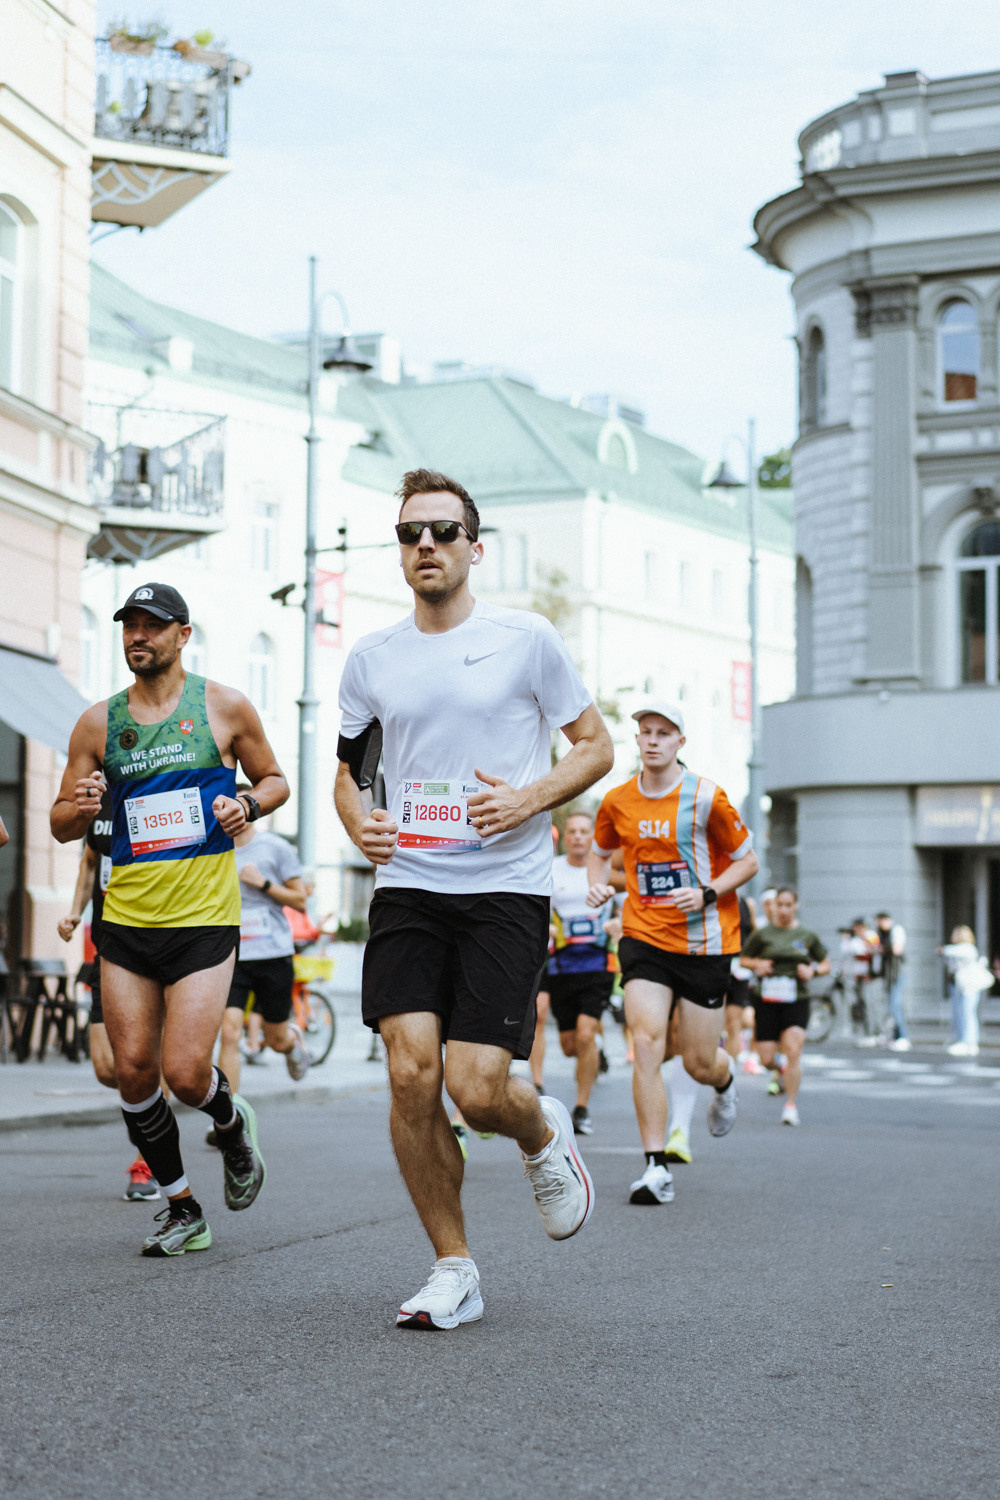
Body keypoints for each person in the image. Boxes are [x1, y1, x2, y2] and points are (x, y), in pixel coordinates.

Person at [334, 468, 613, 1329]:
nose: (426, 545)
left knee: (478, 1088)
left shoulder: (527, 639)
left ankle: (538, 1132)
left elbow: (596, 747)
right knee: (411, 1075)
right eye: (411, 533)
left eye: (443, 532)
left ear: (473, 547)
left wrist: (529, 799)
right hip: (410, 884)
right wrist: (359, 825)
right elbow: (349, 777)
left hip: (503, 887)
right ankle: (453, 1266)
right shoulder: (372, 658)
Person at [51, 582, 288, 1257]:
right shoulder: (97, 724)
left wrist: (249, 803)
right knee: (132, 1072)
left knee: (185, 1073)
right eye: (130, 625)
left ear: (183, 635)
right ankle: (182, 1205)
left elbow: (275, 779)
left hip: (203, 921)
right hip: (125, 922)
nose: (138, 636)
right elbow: (62, 824)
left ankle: (230, 1121)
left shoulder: (224, 707)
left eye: (153, 626)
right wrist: (85, 802)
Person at [587, 701, 758, 1205]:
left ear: (681, 741)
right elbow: (598, 856)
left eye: (664, 732)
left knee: (699, 1060)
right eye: (646, 732)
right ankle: (655, 1167)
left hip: (705, 939)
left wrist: (706, 891)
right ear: (636, 739)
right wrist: (599, 888)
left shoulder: (707, 797)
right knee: (646, 1040)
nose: (653, 740)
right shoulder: (617, 801)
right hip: (643, 936)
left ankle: (724, 1082)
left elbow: (748, 862)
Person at [58, 790, 162, 1200]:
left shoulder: (160, 792)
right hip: (108, 948)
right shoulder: (99, 803)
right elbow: (90, 863)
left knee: (148, 1063)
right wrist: (75, 911)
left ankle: (149, 1163)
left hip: (157, 948)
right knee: (107, 1068)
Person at [212, 784, 311, 1110]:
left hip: (273, 955)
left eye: (240, 807)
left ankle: (291, 1043)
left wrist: (263, 883)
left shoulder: (276, 848)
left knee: (274, 1038)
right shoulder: (213, 849)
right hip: (232, 953)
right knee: (229, 1033)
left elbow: (299, 900)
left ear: (251, 810)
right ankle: (229, 1120)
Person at [545, 810, 616, 1136]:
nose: (577, 837)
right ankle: (596, 1051)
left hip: (598, 963)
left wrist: (620, 923)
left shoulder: (604, 868)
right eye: (571, 831)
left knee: (586, 1034)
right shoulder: (552, 868)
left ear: (592, 836)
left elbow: (633, 902)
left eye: (583, 831)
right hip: (561, 965)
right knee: (571, 1046)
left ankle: (581, 1108)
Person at [741, 886, 830, 1126]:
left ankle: (790, 1106)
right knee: (766, 1058)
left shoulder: (806, 935)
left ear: (796, 906)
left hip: (796, 999)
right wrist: (757, 964)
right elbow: (743, 958)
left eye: (788, 905)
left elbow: (825, 964)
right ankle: (779, 1068)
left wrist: (811, 970)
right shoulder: (763, 934)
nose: (783, 910)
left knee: (793, 1050)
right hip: (767, 999)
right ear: (774, 906)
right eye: (779, 905)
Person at [939, 925, 992, 1057]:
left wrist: (942, 949)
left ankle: (969, 1042)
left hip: (969, 986)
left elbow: (948, 951)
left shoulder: (967, 948)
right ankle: (962, 1040)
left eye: (956, 933)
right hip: (959, 986)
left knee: (967, 1014)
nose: (953, 936)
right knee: (960, 1013)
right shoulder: (960, 949)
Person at [872, 911, 909, 1051]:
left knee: (895, 1005)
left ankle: (903, 1037)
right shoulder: (880, 934)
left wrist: (881, 948)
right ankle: (895, 1037)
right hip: (888, 974)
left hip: (897, 973)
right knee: (890, 1006)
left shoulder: (896, 931)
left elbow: (897, 950)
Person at [842, 917, 876, 1044]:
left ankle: (872, 1032)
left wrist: (865, 940)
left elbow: (870, 951)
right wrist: (846, 938)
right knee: (860, 1003)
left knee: (868, 1003)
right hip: (858, 976)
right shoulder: (855, 940)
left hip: (869, 976)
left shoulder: (870, 936)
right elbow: (847, 950)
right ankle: (864, 1032)